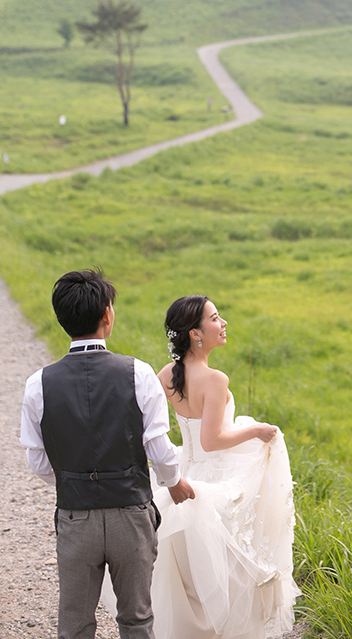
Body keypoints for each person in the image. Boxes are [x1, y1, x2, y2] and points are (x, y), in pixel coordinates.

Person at [20, 268, 195, 639]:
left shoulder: (38, 384)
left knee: (75, 624)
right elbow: (158, 447)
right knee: (136, 620)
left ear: (61, 318)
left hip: (75, 516)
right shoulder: (139, 373)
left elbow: (37, 461)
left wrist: (73, 479)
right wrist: (173, 482)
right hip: (130, 514)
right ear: (106, 316)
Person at [150, 294, 300, 639]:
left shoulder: (166, 375)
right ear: (195, 334)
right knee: (224, 567)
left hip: (182, 472)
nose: (224, 323)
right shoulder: (215, 379)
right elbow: (212, 440)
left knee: (193, 569)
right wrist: (256, 431)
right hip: (212, 477)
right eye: (215, 318)